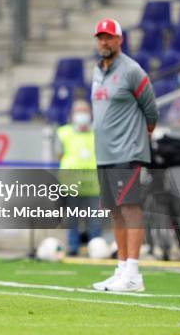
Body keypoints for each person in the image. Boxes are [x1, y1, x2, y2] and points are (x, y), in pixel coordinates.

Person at [90, 19, 158, 292]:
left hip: (127, 151)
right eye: (100, 37)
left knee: (130, 209)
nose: (104, 42)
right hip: (105, 154)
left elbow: (150, 110)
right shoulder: (98, 70)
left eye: (109, 37)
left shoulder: (132, 70)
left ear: (120, 40)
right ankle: (121, 270)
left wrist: (139, 139)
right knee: (116, 211)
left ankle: (133, 273)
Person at [55, 100, 101, 256]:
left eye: (85, 111)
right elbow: (59, 154)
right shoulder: (63, 132)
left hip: (93, 183)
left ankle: (96, 248)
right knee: (71, 218)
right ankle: (72, 248)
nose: (82, 114)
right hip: (71, 183)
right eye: (79, 111)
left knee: (94, 219)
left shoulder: (98, 132)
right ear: (72, 114)